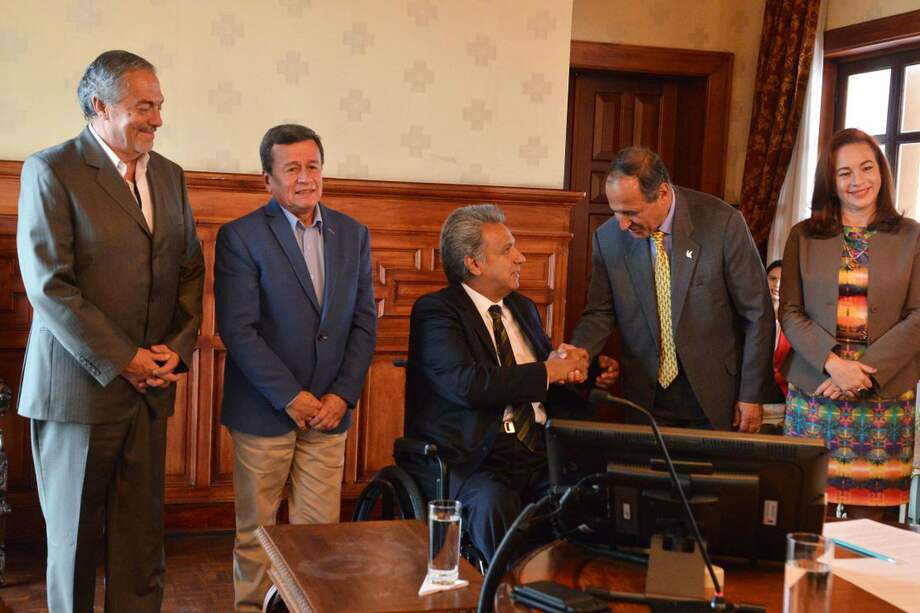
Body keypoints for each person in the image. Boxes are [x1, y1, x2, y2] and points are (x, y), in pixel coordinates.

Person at [16, 50, 204, 612]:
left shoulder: (169, 175)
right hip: (78, 394)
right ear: (100, 106)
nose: (158, 119)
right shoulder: (52, 170)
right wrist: (125, 358)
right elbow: (50, 285)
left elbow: (190, 269)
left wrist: (175, 349)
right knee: (73, 544)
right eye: (144, 106)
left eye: (160, 106)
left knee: (141, 545)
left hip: (150, 393)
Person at [215, 124, 377, 611]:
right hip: (266, 411)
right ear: (268, 180)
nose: (305, 178)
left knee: (317, 540)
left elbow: (363, 325)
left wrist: (341, 396)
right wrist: (291, 396)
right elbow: (238, 330)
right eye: (292, 169)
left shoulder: (353, 234)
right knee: (256, 536)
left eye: (312, 166)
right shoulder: (240, 236)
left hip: (329, 413)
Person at [406, 204, 589, 561]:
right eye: (507, 250)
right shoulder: (437, 311)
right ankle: (504, 596)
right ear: (473, 264)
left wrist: (578, 370)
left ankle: (562, 593)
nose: (520, 258)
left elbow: (542, 375)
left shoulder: (521, 307)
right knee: (494, 504)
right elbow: (469, 384)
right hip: (477, 456)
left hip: (538, 447)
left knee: (586, 493)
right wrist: (549, 371)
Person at [570, 147, 774, 432]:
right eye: (615, 212)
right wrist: (576, 356)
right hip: (646, 395)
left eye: (631, 212)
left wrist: (752, 394)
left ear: (663, 193)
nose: (622, 223)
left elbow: (758, 314)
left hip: (717, 393)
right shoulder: (609, 239)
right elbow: (599, 313)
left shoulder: (722, 223)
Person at [780, 127, 919, 520]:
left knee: (874, 524)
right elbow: (789, 310)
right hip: (817, 391)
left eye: (866, 168)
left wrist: (863, 374)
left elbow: (919, 315)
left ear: (881, 172)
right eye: (845, 173)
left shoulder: (912, 236)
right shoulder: (803, 236)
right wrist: (835, 365)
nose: (858, 181)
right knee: (807, 516)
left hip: (884, 397)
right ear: (831, 182)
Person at [766, 260, 791, 397]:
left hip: (782, 393)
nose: (777, 285)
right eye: (772, 279)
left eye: (783, 280)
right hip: (749, 392)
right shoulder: (748, 317)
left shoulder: (795, 324)